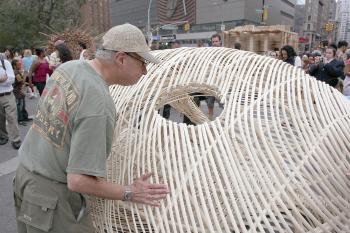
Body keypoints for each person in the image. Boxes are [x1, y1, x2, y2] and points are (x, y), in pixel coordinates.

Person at [13, 23, 169, 233]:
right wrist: (130, 192)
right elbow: (78, 181)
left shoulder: (69, 68)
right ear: (121, 59)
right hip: (51, 201)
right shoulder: (99, 104)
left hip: (24, 178)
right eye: (142, 62)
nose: (144, 71)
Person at [0, 53, 22, 149]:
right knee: (0, 119)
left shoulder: (5, 63)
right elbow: (6, 79)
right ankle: (3, 136)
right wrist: (2, 79)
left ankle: (16, 139)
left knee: (12, 117)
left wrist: (4, 80)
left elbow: (12, 79)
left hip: (8, 95)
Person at [11, 59, 31, 125]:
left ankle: (24, 117)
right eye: (18, 64)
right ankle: (20, 119)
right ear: (14, 66)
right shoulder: (16, 72)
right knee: (19, 105)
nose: (20, 65)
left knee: (22, 105)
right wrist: (25, 75)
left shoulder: (17, 71)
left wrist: (28, 83)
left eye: (20, 64)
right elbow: (21, 81)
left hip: (19, 90)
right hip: (17, 91)